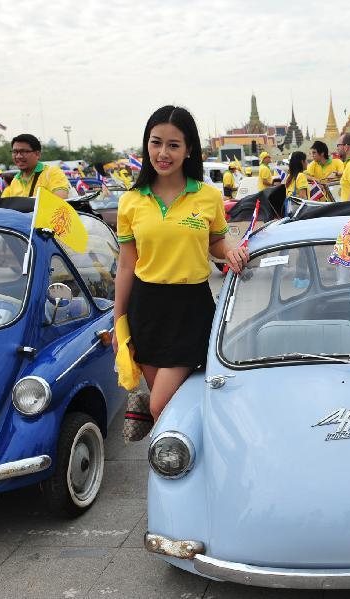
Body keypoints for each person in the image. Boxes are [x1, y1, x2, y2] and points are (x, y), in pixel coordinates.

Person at [114, 105, 248, 427]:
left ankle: (176, 465)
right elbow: (126, 264)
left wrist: (229, 250)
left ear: (189, 150)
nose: (163, 153)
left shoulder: (207, 196)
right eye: (156, 142)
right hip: (145, 309)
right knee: (171, 408)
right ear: (146, 144)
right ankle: (173, 460)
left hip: (190, 310)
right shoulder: (130, 201)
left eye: (173, 145)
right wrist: (119, 321)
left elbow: (215, 241)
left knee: (161, 406)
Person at [2, 134, 70, 199]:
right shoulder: (15, 181)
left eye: (23, 151)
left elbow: (60, 201)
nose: (18, 156)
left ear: (37, 154)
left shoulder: (52, 173)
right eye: (15, 152)